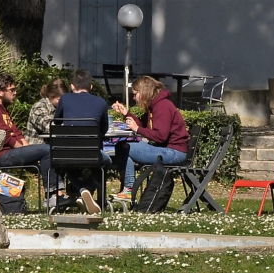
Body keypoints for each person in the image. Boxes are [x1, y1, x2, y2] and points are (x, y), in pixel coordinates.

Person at [0, 73, 71, 207]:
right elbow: (7, 138)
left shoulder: (2, 110)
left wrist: (31, 151)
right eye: (12, 90)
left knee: (53, 152)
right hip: (1, 156)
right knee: (48, 150)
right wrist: (30, 152)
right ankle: (53, 195)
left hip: (12, 152)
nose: (15, 93)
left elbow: (17, 134)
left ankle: (61, 195)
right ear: (0, 92)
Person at [54, 69, 132, 214]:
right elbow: (103, 130)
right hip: (92, 153)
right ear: (91, 87)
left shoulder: (64, 99)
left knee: (67, 162)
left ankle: (82, 190)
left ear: (72, 86)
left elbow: (57, 122)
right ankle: (89, 190)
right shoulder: (101, 102)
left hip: (67, 153)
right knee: (105, 162)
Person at [112, 75, 190, 199]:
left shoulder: (162, 106)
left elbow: (160, 136)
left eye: (135, 94)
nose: (134, 98)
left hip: (174, 152)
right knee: (123, 146)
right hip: (167, 149)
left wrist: (136, 129)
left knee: (125, 148)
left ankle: (129, 188)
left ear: (144, 92)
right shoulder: (154, 106)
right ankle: (128, 187)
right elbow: (142, 124)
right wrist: (126, 113)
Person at [25, 78, 69, 145]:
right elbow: (49, 127)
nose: (63, 102)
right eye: (60, 100)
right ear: (51, 96)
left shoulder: (60, 107)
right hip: (37, 147)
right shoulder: (39, 107)